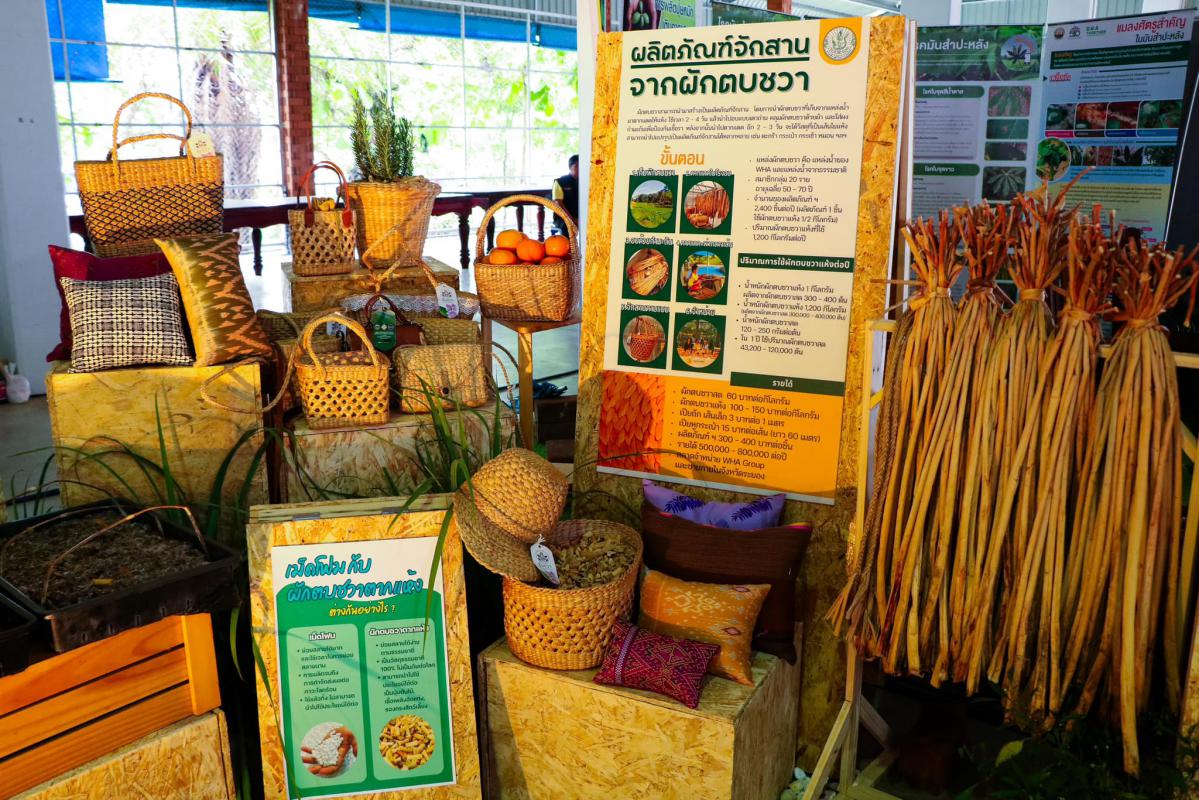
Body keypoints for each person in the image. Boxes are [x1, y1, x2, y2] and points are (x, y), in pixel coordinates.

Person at [551, 154, 579, 235]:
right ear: (570, 167)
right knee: (566, 227)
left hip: (581, 217)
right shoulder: (560, 182)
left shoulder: (586, 181)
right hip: (563, 218)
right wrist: (571, 220)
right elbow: (559, 204)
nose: (579, 169)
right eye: (576, 166)